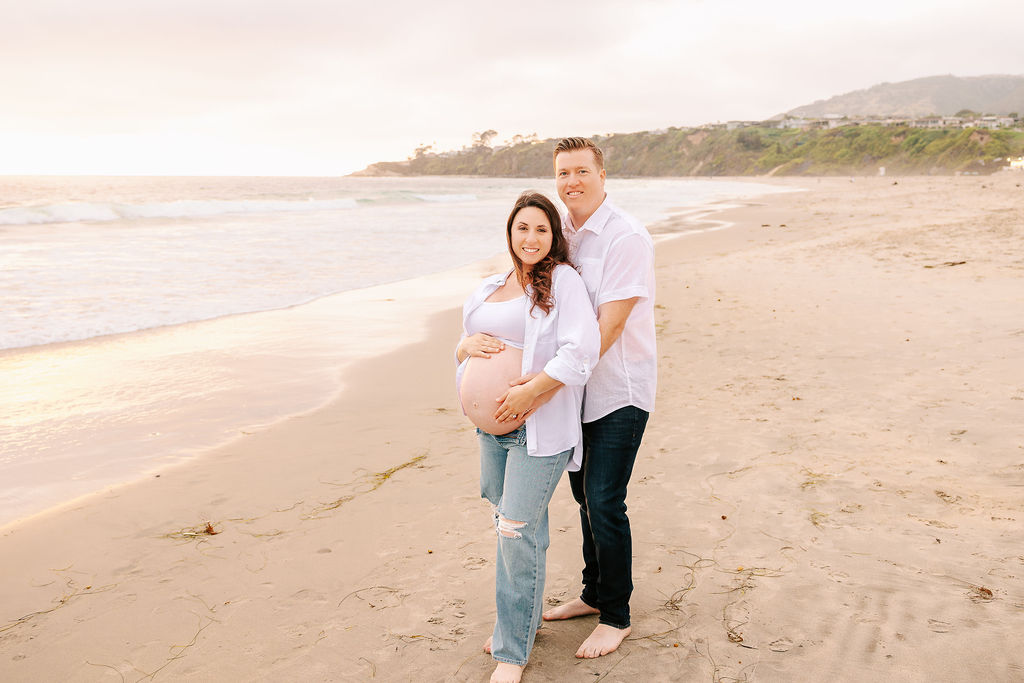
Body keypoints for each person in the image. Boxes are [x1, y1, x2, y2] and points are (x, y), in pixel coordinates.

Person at [455, 190, 599, 683]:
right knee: (514, 525)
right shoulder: (491, 285)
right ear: (510, 233)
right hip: (490, 431)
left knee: (515, 531)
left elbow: (582, 351)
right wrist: (462, 347)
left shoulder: (563, 282)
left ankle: (511, 653)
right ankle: (524, 619)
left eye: (541, 229)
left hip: (538, 429)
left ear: (553, 235)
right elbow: (467, 344)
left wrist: (530, 393)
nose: (531, 237)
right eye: (522, 228)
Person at [537, 137, 657, 659]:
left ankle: (617, 614)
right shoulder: (561, 233)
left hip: (617, 390)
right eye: (563, 173)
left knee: (606, 501)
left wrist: (550, 381)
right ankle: (592, 593)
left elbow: (609, 325)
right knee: (584, 497)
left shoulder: (625, 237)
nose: (572, 183)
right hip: (574, 393)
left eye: (582, 172)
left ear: (603, 176)